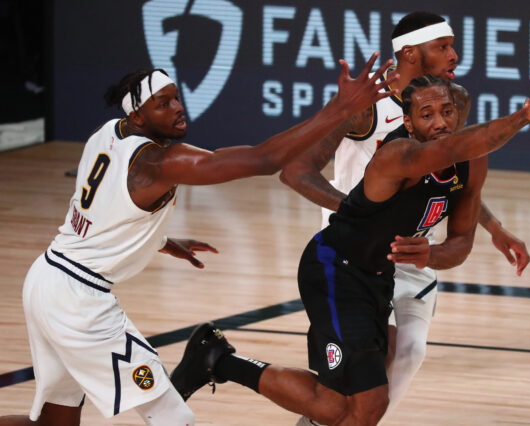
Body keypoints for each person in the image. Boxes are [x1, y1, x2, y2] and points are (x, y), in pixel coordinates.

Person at [0, 53, 397, 426]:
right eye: (162, 104)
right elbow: (263, 160)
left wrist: (158, 239)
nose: (176, 108)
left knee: (53, 423)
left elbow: (101, 208)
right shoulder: (157, 162)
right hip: (77, 302)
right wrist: (339, 110)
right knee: (172, 416)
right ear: (137, 114)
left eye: (175, 98)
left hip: (47, 278)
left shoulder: (108, 134)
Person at [171, 75, 530, 425]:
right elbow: (454, 146)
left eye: (447, 111)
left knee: (343, 407)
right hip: (335, 269)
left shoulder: (472, 162)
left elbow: (460, 245)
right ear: (409, 125)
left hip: (377, 277)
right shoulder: (398, 153)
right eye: (426, 115)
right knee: (364, 406)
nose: (441, 122)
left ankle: (218, 359)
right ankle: (218, 360)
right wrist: (525, 115)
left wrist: (431, 255)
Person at [277, 11, 530, 422]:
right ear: (410, 53)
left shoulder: (448, 100)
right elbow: (296, 171)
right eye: (443, 46)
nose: (454, 54)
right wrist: (358, 213)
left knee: (409, 355)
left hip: (411, 249)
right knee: (378, 359)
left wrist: (493, 226)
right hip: (354, 251)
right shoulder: (364, 103)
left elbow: (447, 173)